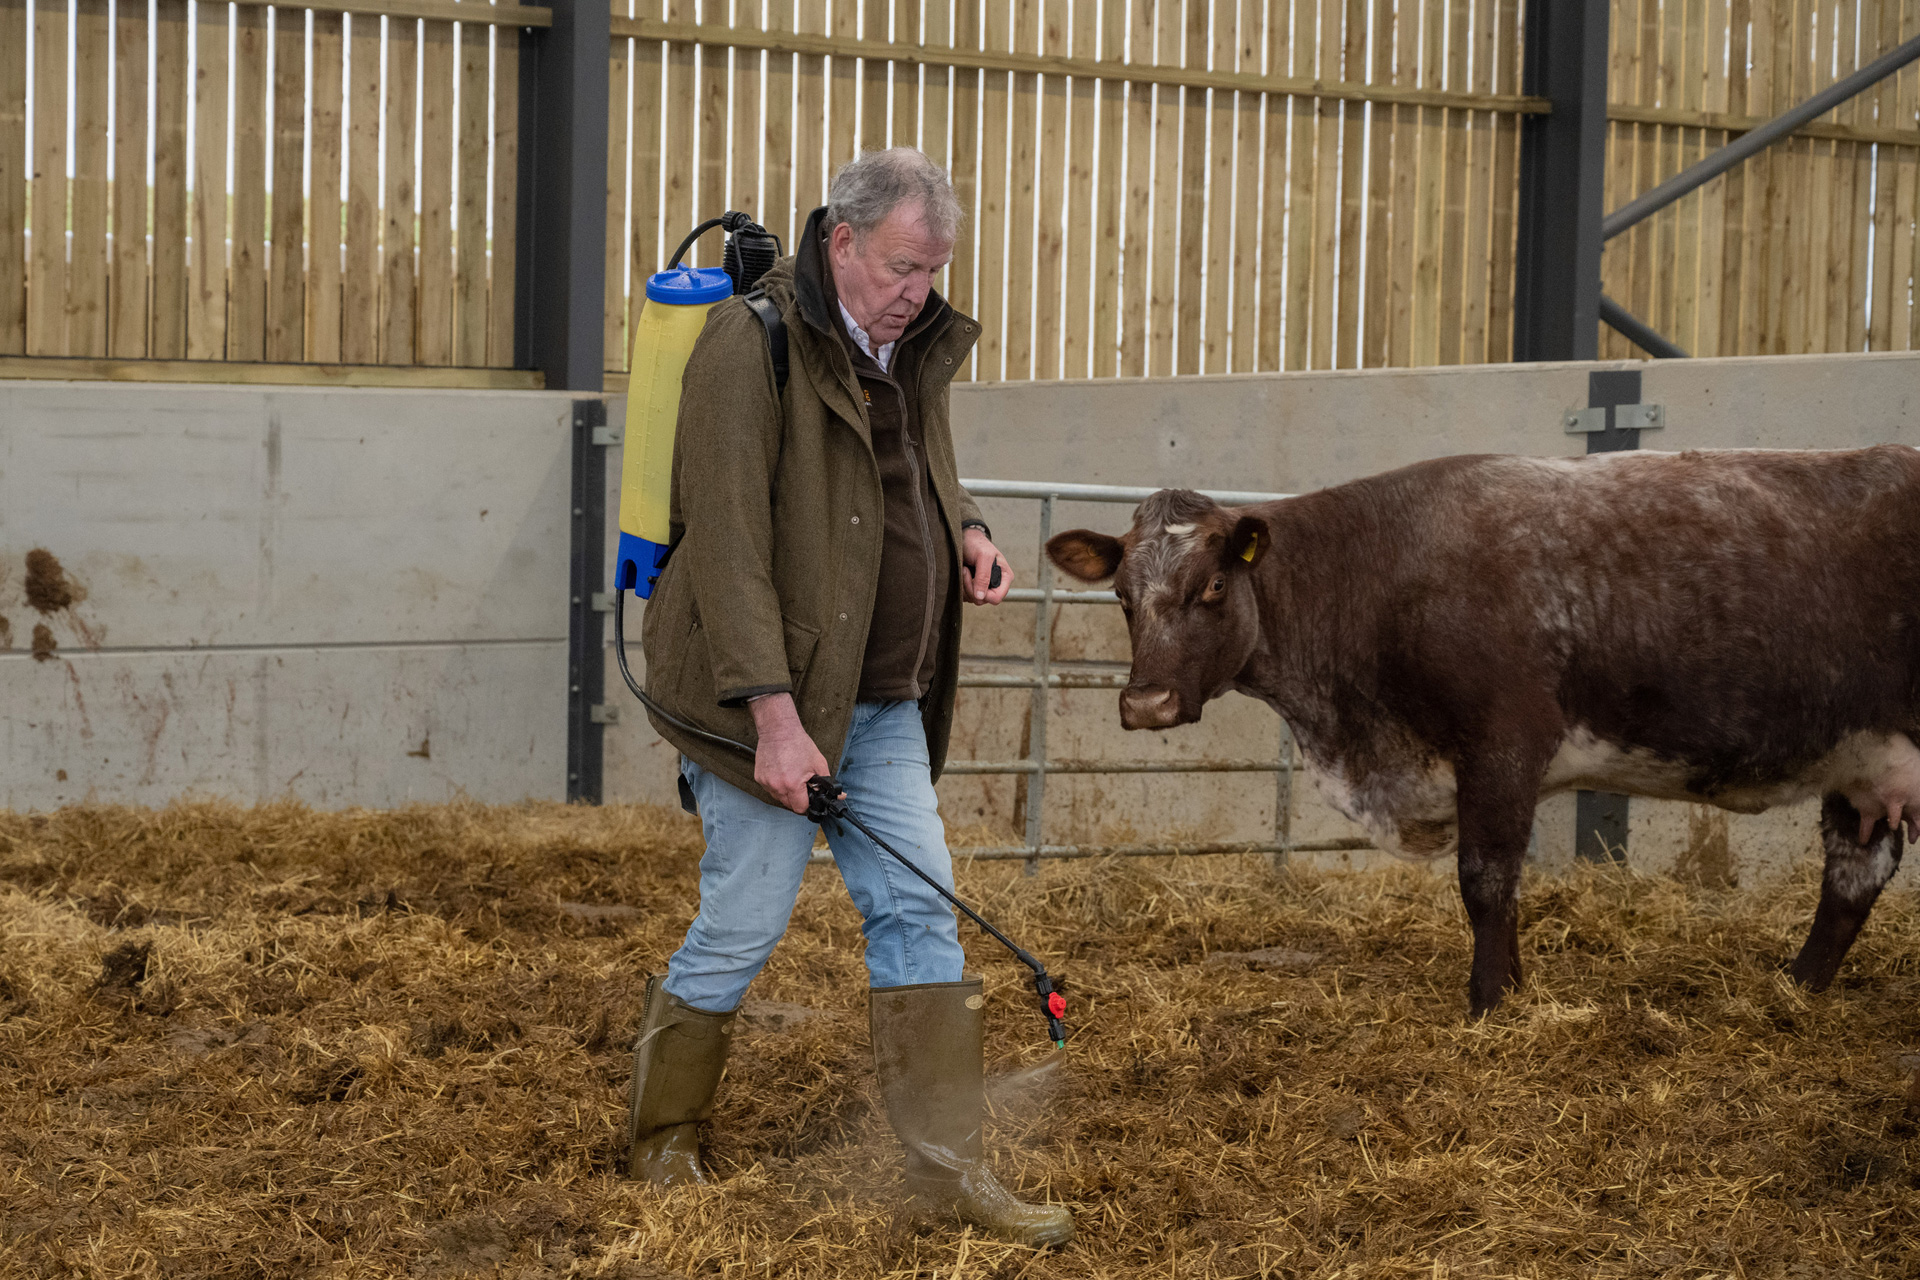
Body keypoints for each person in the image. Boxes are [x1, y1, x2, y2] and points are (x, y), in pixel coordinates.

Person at [626, 148, 1073, 1249]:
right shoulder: (752, 343)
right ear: (842, 241)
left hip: (881, 696)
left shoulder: (907, 341)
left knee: (920, 908)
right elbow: (726, 544)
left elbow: (923, 451)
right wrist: (774, 721)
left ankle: (945, 1161)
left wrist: (963, 524)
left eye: (935, 268)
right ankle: (664, 1140)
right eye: (904, 266)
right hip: (764, 703)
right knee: (742, 920)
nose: (921, 289)